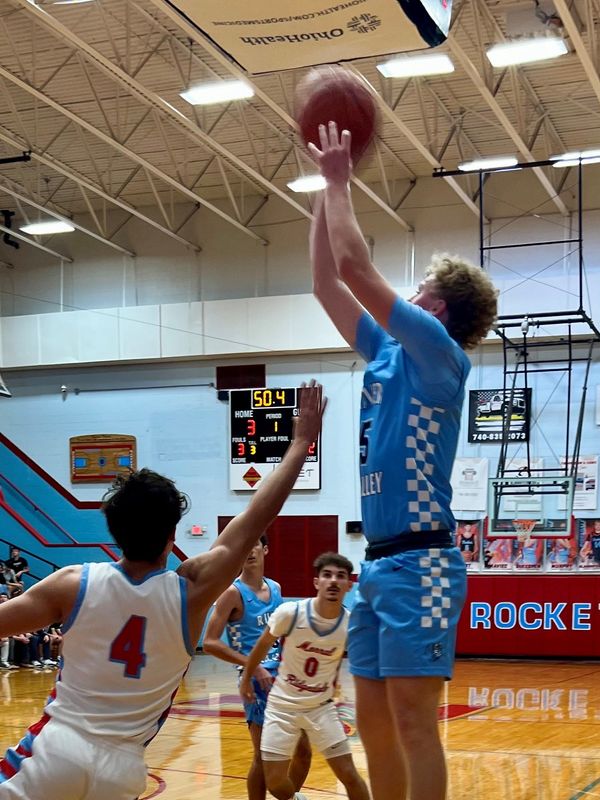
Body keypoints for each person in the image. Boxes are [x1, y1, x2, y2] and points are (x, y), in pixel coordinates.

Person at [0, 381, 325, 800]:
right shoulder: (191, 593)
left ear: (113, 530)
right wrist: (300, 442)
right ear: (174, 535)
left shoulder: (72, 584)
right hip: (123, 770)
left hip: (53, 753)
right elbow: (257, 514)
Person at [309, 121, 497, 800]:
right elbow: (327, 281)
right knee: (373, 721)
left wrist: (340, 180)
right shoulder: (389, 352)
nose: (408, 293)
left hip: (424, 563)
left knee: (415, 723)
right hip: (380, 563)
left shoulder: (439, 352)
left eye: (418, 287)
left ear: (436, 306)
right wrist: (316, 192)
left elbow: (357, 270)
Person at [240, 552, 369, 800]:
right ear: (316, 582)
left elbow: (365, 662)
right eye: (327, 575)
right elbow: (262, 645)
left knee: (349, 775)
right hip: (281, 707)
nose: (333, 581)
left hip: (320, 708)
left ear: (349, 585)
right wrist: (246, 678)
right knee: (275, 783)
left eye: (340, 576)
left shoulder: (350, 625)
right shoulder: (291, 612)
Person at [203, 537, 311, 800]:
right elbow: (209, 642)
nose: (249, 550)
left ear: (265, 549)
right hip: (256, 679)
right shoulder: (232, 593)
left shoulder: (275, 588)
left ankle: (291, 796)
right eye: (244, 545)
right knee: (263, 756)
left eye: (254, 545)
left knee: (303, 750)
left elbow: (280, 634)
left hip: (284, 676)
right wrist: (251, 666)